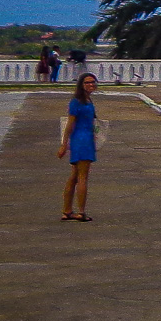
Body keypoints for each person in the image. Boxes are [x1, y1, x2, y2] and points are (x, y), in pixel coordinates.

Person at [57, 72, 100, 221]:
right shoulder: (77, 102)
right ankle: (81, 212)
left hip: (84, 139)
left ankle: (66, 210)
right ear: (81, 85)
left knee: (74, 176)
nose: (91, 85)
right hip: (82, 141)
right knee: (82, 177)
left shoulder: (87, 100)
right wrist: (64, 144)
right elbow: (69, 125)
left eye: (93, 82)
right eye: (87, 82)